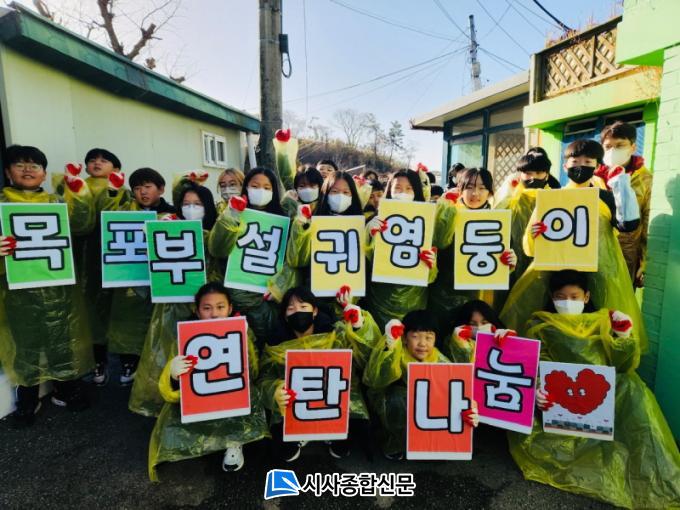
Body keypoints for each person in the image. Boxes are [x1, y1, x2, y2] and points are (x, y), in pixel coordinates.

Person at [508, 270, 680, 509]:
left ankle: (656, 470)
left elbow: (623, 365)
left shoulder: (603, 321)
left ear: (586, 297)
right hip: (564, 398)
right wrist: (539, 389)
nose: (567, 302)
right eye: (560, 297)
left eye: (574, 297)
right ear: (552, 297)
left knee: (634, 390)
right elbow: (539, 364)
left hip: (602, 393)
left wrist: (622, 336)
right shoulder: (539, 325)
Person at [500, 140, 647, 348]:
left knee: (599, 327)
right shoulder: (552, 197)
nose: (580, 166)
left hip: (599, 274)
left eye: (588, 162)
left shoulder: (606, 197)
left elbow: (628, 224)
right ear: (565, 166)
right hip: (555, 275)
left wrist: (620, 184)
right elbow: (530, 249)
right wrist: (534, 235)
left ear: (597, 166)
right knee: (549, 325)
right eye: (575, 161)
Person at [0, 145, 95, 427]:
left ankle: (66, 390)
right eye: (20, 164)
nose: (27, 170)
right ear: (7, 172)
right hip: (17, 292)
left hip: (58, 289)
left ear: (44, 173)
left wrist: (78, 191)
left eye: (34, 165)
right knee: (24, 346)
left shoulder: (57, 202)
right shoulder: (1, 205)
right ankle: (27, 400)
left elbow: (83, 224)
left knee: (61, 341)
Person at [148, 282, 267, 479]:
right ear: (197, 311)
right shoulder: (185, 337)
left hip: (232, 398)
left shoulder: (243, 331)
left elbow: (253, 373)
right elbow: (168, 393)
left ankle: (234, 441)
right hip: (200, 400)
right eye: (207, 308)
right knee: (172, 417)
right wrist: (172, 374)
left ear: (230, 308)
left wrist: (244, 340)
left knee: (249, 395)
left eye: (220, 307)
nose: (214, 314)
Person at [129, 182, 221, 417]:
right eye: (186, 204)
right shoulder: (169, 227)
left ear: (208, 207)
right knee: (168, 353)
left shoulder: (216, 232)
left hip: (207, 306)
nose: (191, 208)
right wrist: (155, 233)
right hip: (172, 305)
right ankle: (166, 401)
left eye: (197, 204)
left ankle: (206, 401)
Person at [259, 286, 381, 462]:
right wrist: (275, 390)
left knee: (350, 437)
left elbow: (366, 356)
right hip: (296, 402)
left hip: (333, 396)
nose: (298, 312)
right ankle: (305, 432)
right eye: (291, 308)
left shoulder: (335, 333)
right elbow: (264, 377)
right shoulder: (275, 342)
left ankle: (328, 431)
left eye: (303, 307)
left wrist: (359, 326)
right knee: (283, 450)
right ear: (285, 316)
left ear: (315, 311)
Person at [363, 310, 480, 460]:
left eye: (428, 337)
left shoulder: (438, 358)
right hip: (396, 406)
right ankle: (395, 443)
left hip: (425, 410)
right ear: (405, 338)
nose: (422, 343)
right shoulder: (397, 353)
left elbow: (454, 388)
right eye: (415, 336)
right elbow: (376, 378)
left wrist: (469, 407)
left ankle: (434, 442)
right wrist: (390, 345)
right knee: (396, 399)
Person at [104, 167, 177, 385]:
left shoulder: (172, 213)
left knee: (160, 322)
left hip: (162, 278)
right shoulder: (125, 213)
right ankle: (129, 363)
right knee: (129, 323)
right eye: (137, 188)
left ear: (161, 189)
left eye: (147, 186)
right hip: (132, 276)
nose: (142, 192)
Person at [427, 167, 517, 337]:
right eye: (469, 187)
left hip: (480, 298)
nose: (475, 193)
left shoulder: (498, 223)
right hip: (444, 295)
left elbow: (502, 262)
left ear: (490, 192)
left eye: (482, 188)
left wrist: (509, 263)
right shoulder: (447, 215)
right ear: (459, 189)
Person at [61, 148, 123, 386]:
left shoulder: (123, 191)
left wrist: (112, 192)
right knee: (79, 310)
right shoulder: (69, 185)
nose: (97, 163)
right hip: (77, 254)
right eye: (92, 160)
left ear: (116, 168)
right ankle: (84, 362)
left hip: (108, 256)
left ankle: (102, 360)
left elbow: (117, 219)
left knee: (105, 310)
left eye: (104, 160)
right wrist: (75, 189)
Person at [208, 167, 286, 346]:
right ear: (246, 188)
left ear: (274, 191)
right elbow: (217, 249)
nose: (260, 191)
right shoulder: (233, 213)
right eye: (255, 186)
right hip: (235, 298)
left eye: (267, 187)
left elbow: (290, 262)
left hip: (268, 303)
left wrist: (280, 287)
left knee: (268, 345)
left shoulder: (283, 219)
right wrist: (232, 215)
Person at [279, 171, 364, 315]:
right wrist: (301, 227)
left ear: (353, 195)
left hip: (344, 300)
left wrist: (350, 301)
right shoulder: (313, 221)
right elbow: (297, 260)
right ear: (325, 193)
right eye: (334, 191)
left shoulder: (361, 226)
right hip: (313, 299)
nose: (340, 196)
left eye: (346, 192)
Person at [364, 169, 438, 329]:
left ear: (416, 192)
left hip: (414, 298)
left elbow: (431, 277)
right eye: (397, 188)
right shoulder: (377, 221)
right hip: (381, 297)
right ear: (389, 190)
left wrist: (431, 264)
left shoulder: (426, 222)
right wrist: (368, 234)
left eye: (409, 188)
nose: (403, 193)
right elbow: (365, 261)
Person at [597, 121, 652, 287]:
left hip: (626, 257)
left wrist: (645, 263)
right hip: (594, 254)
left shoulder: (645, 181)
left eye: (620, 145)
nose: (613, 151)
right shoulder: (593, 177)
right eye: (608, 146)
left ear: (632, 147)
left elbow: (648, 225)